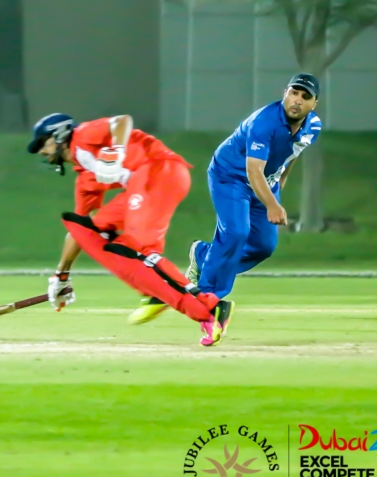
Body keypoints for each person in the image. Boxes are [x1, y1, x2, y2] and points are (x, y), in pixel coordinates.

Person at [27, 113, 230, 345]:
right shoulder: (85, 179)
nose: (41, 151)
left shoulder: (83, 135)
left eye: (43, 142)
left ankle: (210, 307)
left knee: (140, 249)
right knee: (94, 231)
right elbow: (81, 232)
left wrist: (117, 150)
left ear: (59, 133)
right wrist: (61, 276)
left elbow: (121, 121)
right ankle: (156, 292)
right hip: (146, 179)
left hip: (159, 169)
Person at [188, 73, 323, 311]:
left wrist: (281, 180)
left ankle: (203, 256)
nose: (297, 100)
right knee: (236, 232)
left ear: (314, 104)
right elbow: (253, 171)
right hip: (231, 176)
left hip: (264, 181)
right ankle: (207, 297)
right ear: (285, 93)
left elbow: (294, 152)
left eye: (305, 96)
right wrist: (272, 204)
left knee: (263, 246)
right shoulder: (264, 122)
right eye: (293, 93)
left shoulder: (313, 126)